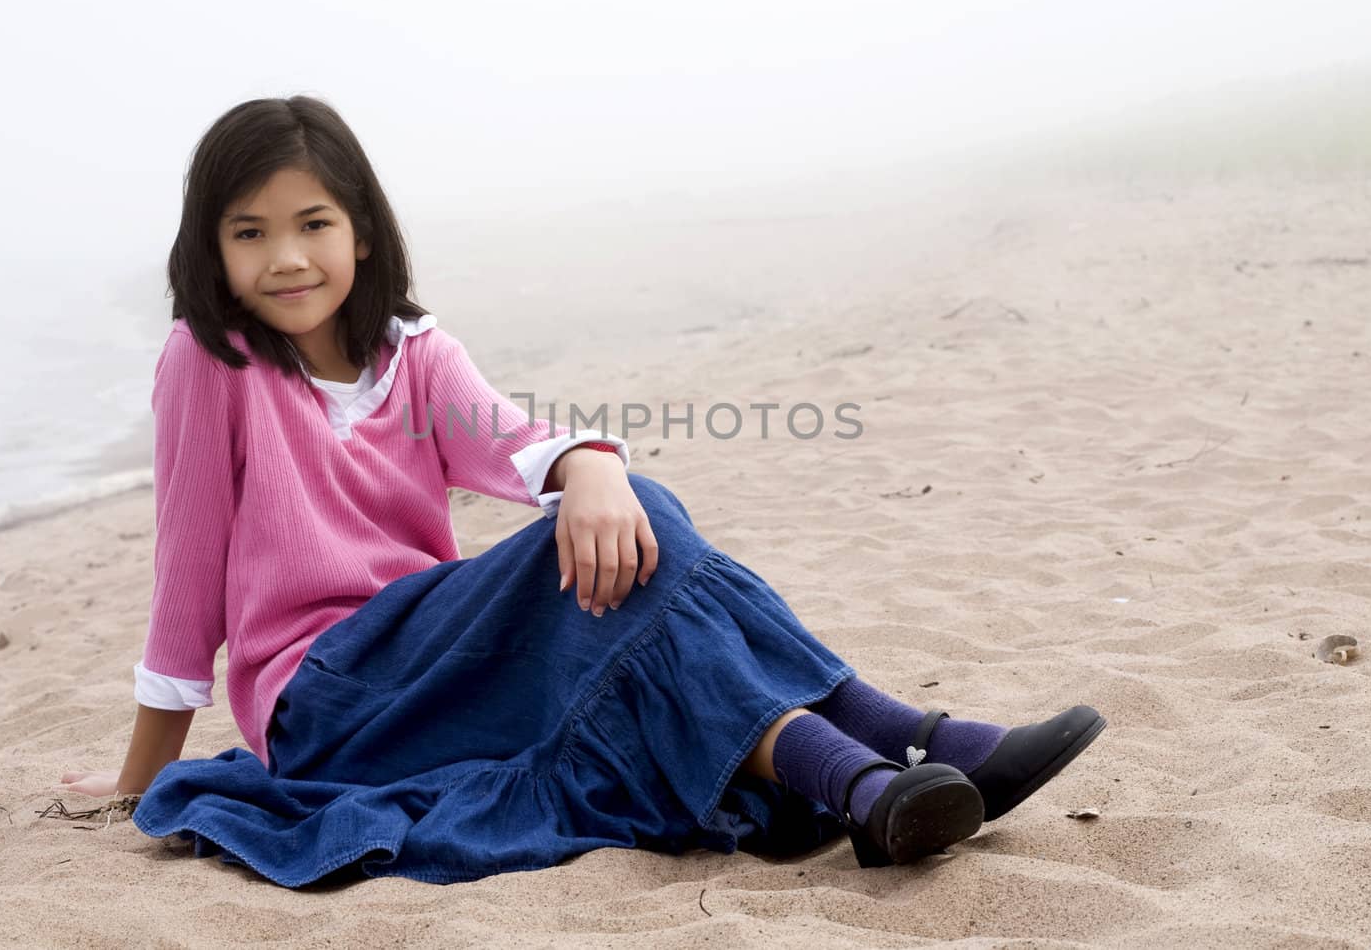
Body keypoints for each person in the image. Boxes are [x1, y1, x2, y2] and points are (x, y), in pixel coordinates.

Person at [57, 95, 1106, 887]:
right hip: (327, 698)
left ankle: (871, 781)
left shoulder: (413, 355)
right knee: (637, 538)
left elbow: (517, 444)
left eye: (313, 222)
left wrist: (595, 468)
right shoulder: (212, 362)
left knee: (635, 528)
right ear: (215, 249)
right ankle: (897, 742)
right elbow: (186, 579)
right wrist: (139, 778)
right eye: (249, 232)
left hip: (440, 665)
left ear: (362, 231)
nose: (287, 256)